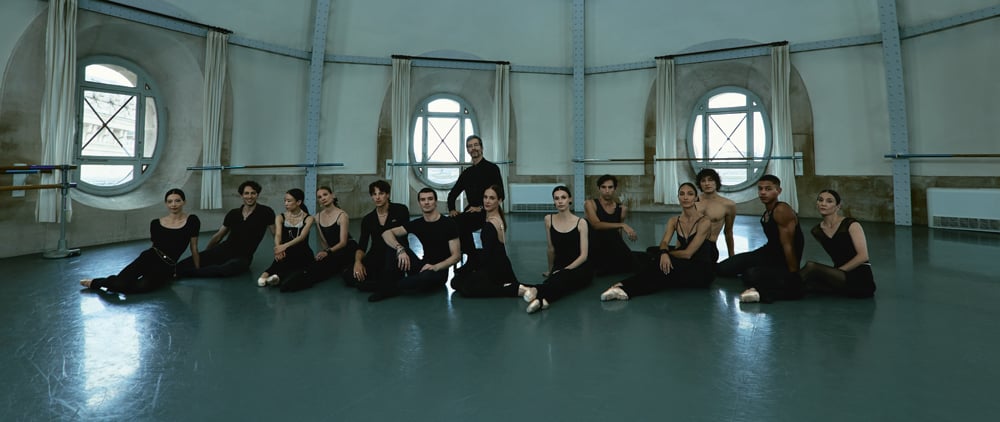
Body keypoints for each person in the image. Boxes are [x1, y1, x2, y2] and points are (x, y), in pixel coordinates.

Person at [600, 183, 717, 301]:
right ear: (678, 198)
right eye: (682, 194)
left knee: (659, 265)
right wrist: (663, 253)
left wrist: (664, 254)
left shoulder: (704, 221)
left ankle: (625, 289)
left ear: (696, 198)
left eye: (690, 194)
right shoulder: (674, 221)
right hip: (683, 264)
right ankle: (623, 287)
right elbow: (664, 242)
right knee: (658, 265)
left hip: (701, 271)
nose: (685, 197)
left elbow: (688, 253)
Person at [80, 188, 200, 294]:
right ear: (166, 204)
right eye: (170, 201)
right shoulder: (156, 223)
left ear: (184, 202)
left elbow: (194, 248)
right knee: (119, 284)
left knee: (141, 287)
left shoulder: (192, 221)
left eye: (177, 201)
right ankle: (96, 282)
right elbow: (154, 246)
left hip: (166, 266)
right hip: (148, 257)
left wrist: (197, 271)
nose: (173, 204)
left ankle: (107, 283)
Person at [716, 175, 805, 303]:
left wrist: (794, 274)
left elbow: (788, 245)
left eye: (768, 189)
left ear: (778, 191)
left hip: (782, 259)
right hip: (768, 252)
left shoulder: (781, 210)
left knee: (750, 275)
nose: (763, 192)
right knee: (723, 268)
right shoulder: (768, 211)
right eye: (760, 189)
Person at [370, 188, 461, 302]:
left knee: (425, 277)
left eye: (430, 199)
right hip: (421, 265)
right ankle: (391, 283)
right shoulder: (418, 223)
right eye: (423, 200)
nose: (426, 202)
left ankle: (386, 287)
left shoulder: (448, 224)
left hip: (438, 272)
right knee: (395, 244)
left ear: (435, 202)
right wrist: (400, 249)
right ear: (419, 203)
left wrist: (435, 267)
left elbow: (456, 256)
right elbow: (386, 233)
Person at [177, 180, 275, 278]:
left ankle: (180, 274)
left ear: (257, 195)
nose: (249, 196)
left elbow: (275, 234)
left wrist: (281, 249)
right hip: (225, 249)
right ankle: (173, 271)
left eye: (253, 193)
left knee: (225, 269)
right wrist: (207, 252)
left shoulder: (266, 212)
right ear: (241, 195)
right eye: (246, 193)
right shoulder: (233, 213)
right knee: (186, 263)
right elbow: (219, 236)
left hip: (243, 257)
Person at [520, 186, 592, 313]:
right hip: (559, 264)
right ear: (553, 201)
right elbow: (551, 248)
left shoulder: (581, 222)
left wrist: (565, 270)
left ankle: (537, 291)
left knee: (563, 279)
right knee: (559, 281)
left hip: (580, 267)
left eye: (563, 198)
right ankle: (543, 301)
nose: (560, 201)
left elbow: (584, 255)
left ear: (570, 199)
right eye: (556, 198)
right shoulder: (549, 219)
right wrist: (550, 269)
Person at [279, 187, 358, 293]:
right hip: (332, 251)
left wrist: (327, 252)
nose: (323, 198)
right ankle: (284, 280)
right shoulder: (318, 217)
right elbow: (323, 241)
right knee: (315, 264)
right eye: (319, 197)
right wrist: (324, 254)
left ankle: (293, 284)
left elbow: (343, 242)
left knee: (322, 270)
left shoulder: (342, 215)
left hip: (347, 250)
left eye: (325, 195)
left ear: (332, 195)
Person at [800, 189, 876, 298]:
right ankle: (779, 290)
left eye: (829, 201)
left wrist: (837, 272)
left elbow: (863, 256)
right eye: (820, 200)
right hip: (838, 276)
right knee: (808, 284)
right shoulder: (817, 231)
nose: (823, 204)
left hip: (860, 277)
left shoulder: (851, 224)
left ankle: (787, 289)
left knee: (811, 266)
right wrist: (832, 274)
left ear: (838, 206)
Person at [450, 184, 520, 297]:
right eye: (485, 197)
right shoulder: (497, 218)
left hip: (496, 269)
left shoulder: (491, 224)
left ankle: (511, 290)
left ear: (500, 200)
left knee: (462, 286)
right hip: (501, 264)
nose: (487, 201)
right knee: (457, 282)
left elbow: (488, 255)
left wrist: (475, 271)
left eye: (492, 198)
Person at [447, 135, 503, 270]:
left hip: (488, 211)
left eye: (476, 145)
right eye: (470, 146)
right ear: (467, 150)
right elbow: (452, 194)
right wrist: (452, 209)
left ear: (482, 148)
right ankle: (470, 256)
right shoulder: (467, 173)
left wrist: (482, 207)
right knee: (452, 222)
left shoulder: (492, 169)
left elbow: (501, 195)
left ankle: (472, 259)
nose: (473, 148)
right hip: (472, 211)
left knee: (462, 223)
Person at [345, 180, 410, 291]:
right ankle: (382, 285)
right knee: (349, 275)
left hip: (395, 252)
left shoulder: (401, 210)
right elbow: (362, 245)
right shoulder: (368, 219)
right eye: (374, 194)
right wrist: (358, 262)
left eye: (381, 193)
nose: (377, 197)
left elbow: (405, 234)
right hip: (376, 254)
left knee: (388, 274)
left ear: (388, 195)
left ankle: (379, 284)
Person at [256, 189, 315, 287]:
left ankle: (277, 277)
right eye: (285, 201)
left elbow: (302, 237)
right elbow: (278, 235)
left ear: (299, 202)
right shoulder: (280, 217)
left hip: (302, 251)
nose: (286, 203)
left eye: (289, 201)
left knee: (295, 267)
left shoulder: (309, 218)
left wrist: (284, 246)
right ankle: (266, 275)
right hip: (285, 251)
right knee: (280, 260)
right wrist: (278, 248)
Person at [584, 174, 639, 275]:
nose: (607, 190)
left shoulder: (620, 207)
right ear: (599, 188)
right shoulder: (590, 204)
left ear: (615, 189)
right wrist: (622, 224)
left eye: (610, 187)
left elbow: (618, 233)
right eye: (603, 187)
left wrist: (622, 247)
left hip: (612, 245)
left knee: (637, 262)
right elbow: (596, 225)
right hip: (596, 246)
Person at [694, 169, 736, 259]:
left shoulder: (728, 204)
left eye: (710, 180)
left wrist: (732, 257)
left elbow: (728, 232)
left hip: (708, 247)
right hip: (689, 244)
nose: (707, 183)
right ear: (699, 184)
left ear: (716, 182)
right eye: (703, 181)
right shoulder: (692, 202)